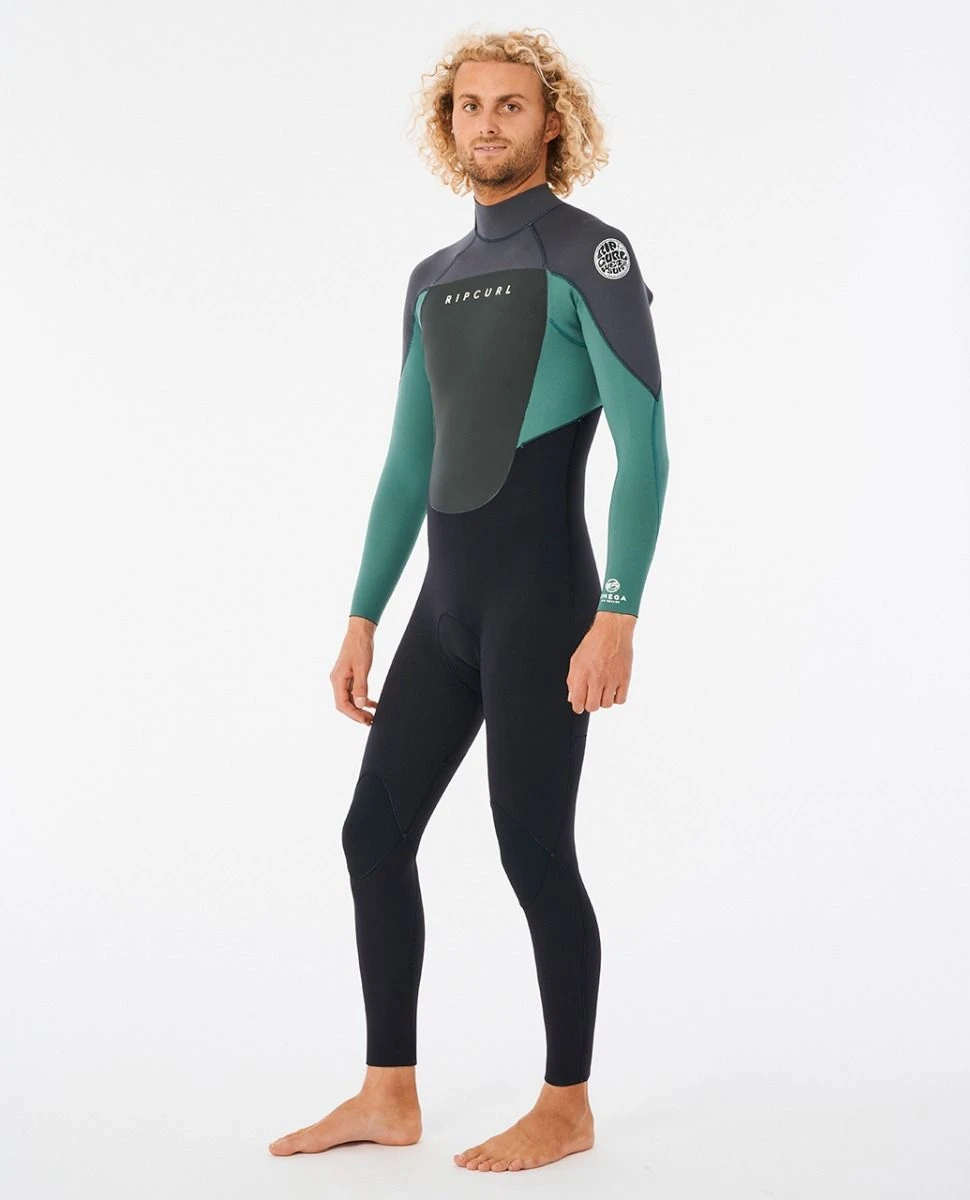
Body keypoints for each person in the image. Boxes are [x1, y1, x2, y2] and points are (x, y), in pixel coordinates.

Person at [270, 26, 669, 1172]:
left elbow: (644, 445)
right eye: (468, 105)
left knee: (532, 849)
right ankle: (387, 1093)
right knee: (372, 835)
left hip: (543, 601)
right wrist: (362, 613)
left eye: (511, 104)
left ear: (552, 122)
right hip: (443, 612)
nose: (487, 122)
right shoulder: (431, 279)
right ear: (447, 126)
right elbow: (408, 463)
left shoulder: (589, 254)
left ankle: (566, 1105)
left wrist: (617, 612)